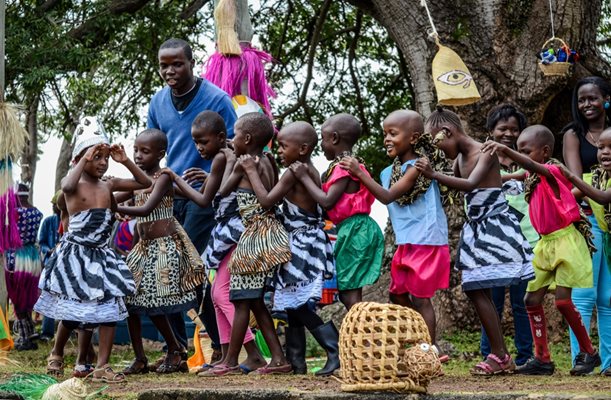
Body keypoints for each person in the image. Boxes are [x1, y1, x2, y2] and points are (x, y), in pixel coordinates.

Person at [415, 106, 534, 375]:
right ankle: (500, 354)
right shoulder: (458, 159)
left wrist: (433, 174)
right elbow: (456, 187)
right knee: (474, 288)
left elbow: (469, 185)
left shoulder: (486, 152)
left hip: (495, 228)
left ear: (447, 132)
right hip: (476, 229)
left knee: (478, 288)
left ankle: (501, 355)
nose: (440, 151)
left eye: (438, 142)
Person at [34, 118, 151, 383]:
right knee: (72, 312)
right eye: (96, 157)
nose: (102, 163)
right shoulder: (73, 186)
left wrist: (124, 161)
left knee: (109, 307)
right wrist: (83, 156)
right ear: (81, 158)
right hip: (75, 256)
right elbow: (65, 186)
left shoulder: (108, 185)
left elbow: (146, 183)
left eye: (105, 158)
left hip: (101, 255)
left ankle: (102, 365)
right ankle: (56, 351)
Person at [481, 125, 601, 376]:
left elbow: (533, 167)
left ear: (544, 151)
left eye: (526, 150)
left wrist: (505, 150)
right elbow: (510, 177)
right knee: (530, 299)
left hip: (566, 242)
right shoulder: (531, 176)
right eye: (518, 150)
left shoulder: (553, 170)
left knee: (563, 301)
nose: (520, 154)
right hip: (545, 243)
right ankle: (542, 359)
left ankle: (589, 352)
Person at [148, 38, 237, 362]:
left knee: (188, 269)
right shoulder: (157, 103)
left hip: (205, 199)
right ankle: (176, 348)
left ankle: (220, 348)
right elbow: (154, 152)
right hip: (170, 197)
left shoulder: (216, 99)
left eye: (177, 64)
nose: (170, 71)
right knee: (164, 270)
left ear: (191, 63)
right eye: (164, 65)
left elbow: (235, 147)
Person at [160, 111, 266, 375]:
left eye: (203, 142)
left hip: (234, 233)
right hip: (227, 234)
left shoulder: (223, 156)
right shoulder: (225, 156)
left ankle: (249, 354)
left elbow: (207, 199)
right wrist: (203, 179)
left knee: (220, 294)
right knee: (216, 296)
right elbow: (214, 190)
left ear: (221, 137)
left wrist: (176, 179)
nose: (199, 148)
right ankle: (226, 354)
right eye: (195, 142)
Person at [339, 110, 450, 356]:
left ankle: (430, 350)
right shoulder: (390, 171)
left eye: (393, 133)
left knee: (421, 298)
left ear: (413, 138)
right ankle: (420, 338)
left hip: (426, 239)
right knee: (396, 294)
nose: (386, 139)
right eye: (384, 134)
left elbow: (387, 196)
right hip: (406, 240)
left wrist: (359, 172)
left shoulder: (420, 166)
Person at [242, 121, 338, 376]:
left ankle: (335, 350)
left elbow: (265, 201)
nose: (280, 151)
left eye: (284, 146)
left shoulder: (296, 172)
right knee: (295, 303)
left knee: (300, 305)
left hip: (302, 245)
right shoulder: (308, 169)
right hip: (307, 241)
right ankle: (296, 362)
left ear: (303, 148)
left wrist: (252, 170)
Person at [116, 129, 206, 375]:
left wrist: (117, 206)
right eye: (135, 150)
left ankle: (176, 349)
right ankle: (140, 358)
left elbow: (144, 209)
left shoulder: (163, 177)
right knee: (130, 302)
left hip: (164, 248)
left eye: (144, 151)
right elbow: (113, 196)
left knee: (154, 304)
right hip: (143, 249)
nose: (138, 155)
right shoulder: (138, 179)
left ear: (160, 153)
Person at [209, 112, 292, 376]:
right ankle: (278, 359)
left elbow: (222, 192)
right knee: (255, 301)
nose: (232, 140)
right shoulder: (268, 160)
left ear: (246, 138)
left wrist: (238, 165)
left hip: (253, 237)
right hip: (266, 234)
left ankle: (230, 361)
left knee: (242, 299)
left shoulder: (248, 164)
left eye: (234, 135)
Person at [292, 113, 384, 311]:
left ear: (334, 138)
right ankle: (361, 334)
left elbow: (327, 200)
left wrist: (304, 178)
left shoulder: (344, 167)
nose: (321, 145)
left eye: (323, 139)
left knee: (350, 293)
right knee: (347, 291)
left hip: (354, 231)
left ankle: (363, 335)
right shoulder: (346, 165)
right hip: (352, 229)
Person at [562, 76, 611, 376]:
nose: (587, 104)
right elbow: (573, 181)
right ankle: (583, 357)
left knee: (608, 297)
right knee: (583, 293)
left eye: (592, 98)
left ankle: (609, 362)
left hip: (610, 222)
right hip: (586, 219)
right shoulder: (573, 134)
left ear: (606, 99)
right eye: (581, 99)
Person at [479, 104, 535, 367]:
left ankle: (526, 356)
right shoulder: (484, 159)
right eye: (502, 129)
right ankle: (489, 353)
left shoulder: (527, 159)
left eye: (514, 129)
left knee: (523, 303)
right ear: (491, 131)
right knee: (492, 302)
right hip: (494, 244)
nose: (508, 134)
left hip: (526, 242)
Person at [5, 183, 44, 351]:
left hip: (16, 256)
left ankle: (24, 337)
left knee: (17, 296)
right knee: (27, 296)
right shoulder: (37, 213)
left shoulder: (14, 213)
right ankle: (30, 332)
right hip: (32, 258)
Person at [38, 191, 62, 341]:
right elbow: (42, 243)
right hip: (51, 263)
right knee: (49, 295)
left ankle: (69, 330)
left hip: (67, 263)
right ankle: (47, 333)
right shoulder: (48, 221)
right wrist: (50, 250)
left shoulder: (72, 220)